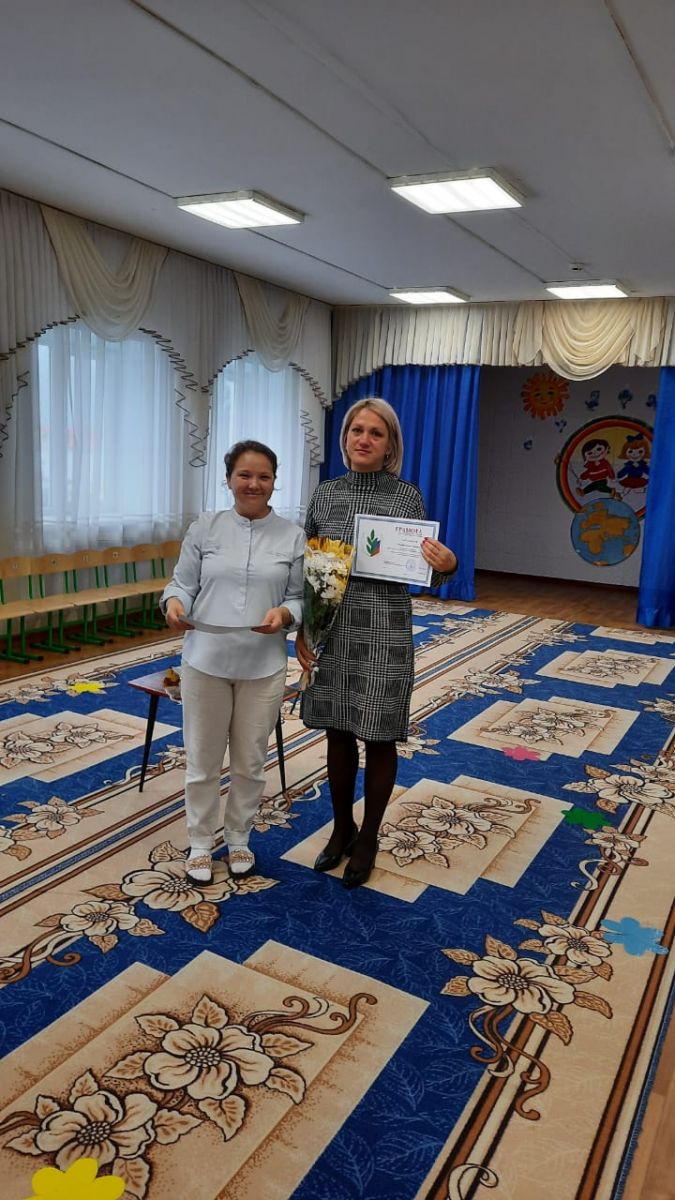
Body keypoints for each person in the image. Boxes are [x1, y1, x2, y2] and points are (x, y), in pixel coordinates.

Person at [295, 398, 458, 889]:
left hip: (386, 630)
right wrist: (304, 629)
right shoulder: (325, 495)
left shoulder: (407, 498)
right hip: (334, 631)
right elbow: (309, 568)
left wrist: (446, 566)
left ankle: (369, 836)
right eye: (356, 430)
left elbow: (424, 570)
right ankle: (341, 826)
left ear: (390, 446)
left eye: (376, 433)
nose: (364, 439)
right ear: (345, 438)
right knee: (337, 730)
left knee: (381, 735)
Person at [161, 440, 304, 885]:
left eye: (263, 476)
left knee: (250, 762)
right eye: (244, 475)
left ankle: (239, 837)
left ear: (274, 483)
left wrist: (285, 614)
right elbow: (182, 584)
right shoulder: (205, 528)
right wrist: (174, 604)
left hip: (263, 665)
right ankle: (201, 842)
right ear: (228, 480)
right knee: (202, 760)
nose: (253, 484)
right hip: (205, 661)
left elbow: (300, 597)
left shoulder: (292, 535)